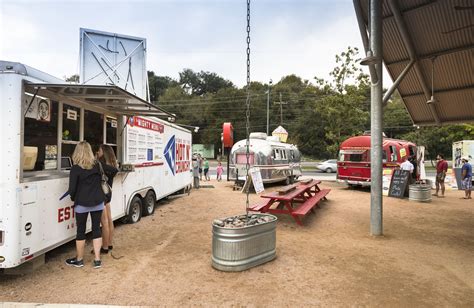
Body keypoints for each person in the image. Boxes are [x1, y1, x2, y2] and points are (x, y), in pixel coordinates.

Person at [65, 141, 105, 269]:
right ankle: (97, 260)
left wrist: (73, 197)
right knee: (96, 229)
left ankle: (80, 260)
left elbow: (72, 190)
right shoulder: (97, 165)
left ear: (77, 152)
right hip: (98, 202)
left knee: (80, 231)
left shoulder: (75, 169)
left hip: (82, 203)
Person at [95, 145, 119, 254]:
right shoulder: (111, 163)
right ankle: (109, 244)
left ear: (104, 152)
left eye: (99, 150)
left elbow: (114, 170)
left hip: (102, 196)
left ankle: (104, 247)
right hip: (108, 195)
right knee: (109, 219)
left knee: (104, 222)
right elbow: (115, 170)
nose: (97, 152)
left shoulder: (102, 165)